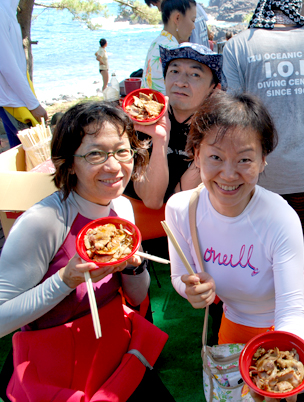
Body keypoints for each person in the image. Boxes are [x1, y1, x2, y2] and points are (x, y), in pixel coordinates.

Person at [0, 102, 174, 400]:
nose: (114, 166)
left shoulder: (121, 209)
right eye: (95, 154)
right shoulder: (44, 222)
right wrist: (64, 282)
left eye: (122, 151)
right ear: (68, 163)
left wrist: (134, 266)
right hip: (59, 370)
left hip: (117, 353)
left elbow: (135, 297)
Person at [165, 91, 304, 400]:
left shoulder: (280, 217)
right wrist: (191, 291)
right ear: (196, 154)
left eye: (244, 159)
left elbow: (290, 306)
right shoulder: (179, 210)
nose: (228, 174)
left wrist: (287, 366)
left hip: (298, 325)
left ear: (263, 160)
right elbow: (178, 276)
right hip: (236, 320)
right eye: (215, 157)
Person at [223, 0, 304, 291]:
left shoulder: (238, 46)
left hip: (260, 180)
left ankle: (266, 329)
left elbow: (234, 117)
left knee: (262, 262)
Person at [127, 42, 226, 211]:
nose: (180, 82)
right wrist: (160, 140)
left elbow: (177, 202)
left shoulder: (215, 135)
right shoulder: (143, 121)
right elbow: (152, 200)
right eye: (174, 71)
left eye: (195, 74)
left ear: (214, 89)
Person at [0, 0, 48, 149]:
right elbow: (7, 66)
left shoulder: (8, 10)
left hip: (16, 99)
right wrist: (33, 104)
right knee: (31, 157)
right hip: (12, 103)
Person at [142, 0, 197, 94]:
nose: (193, 26)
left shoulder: (156, 42)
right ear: (177, 18)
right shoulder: (173, 50)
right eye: (193, 20)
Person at [144, 0, 211, 48]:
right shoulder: (194, 6)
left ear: (177, 18)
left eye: (157, 4)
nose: (159, 10)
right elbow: (210, 35)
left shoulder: (158, 45)